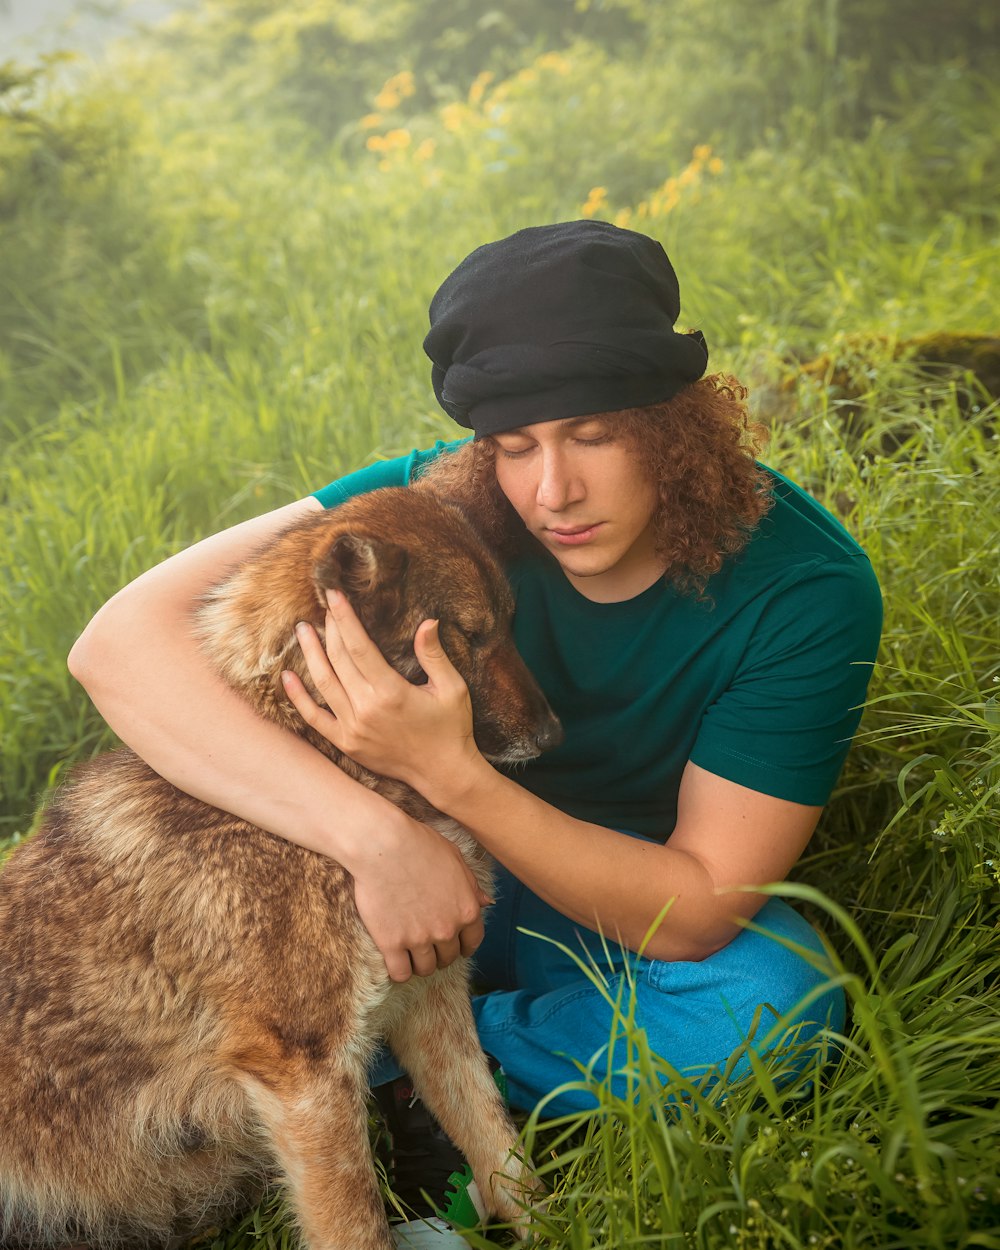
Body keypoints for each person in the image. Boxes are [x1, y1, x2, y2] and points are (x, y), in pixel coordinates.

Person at [69, 220, 882, 1247]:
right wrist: (380, 837)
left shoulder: (806, 588)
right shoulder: (442, 503)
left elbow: (697, 908)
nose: (551, 492)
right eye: (512, 445)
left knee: (772, 1002)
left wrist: (451, 778)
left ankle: (398, 1075)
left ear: (677, 424)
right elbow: (118, 643)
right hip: (380, 878)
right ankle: (325, 1065)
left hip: (608, 900)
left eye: (592, 433)